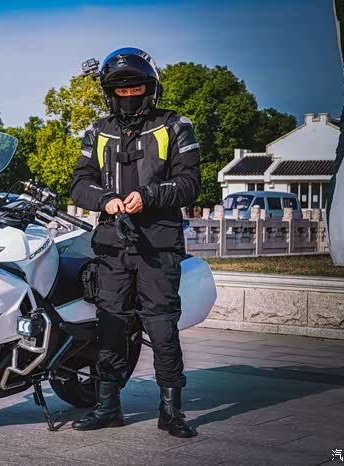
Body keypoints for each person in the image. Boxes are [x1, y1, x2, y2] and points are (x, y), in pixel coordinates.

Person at [70, 47, 200, 437]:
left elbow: (190, 183)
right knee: (110, 328)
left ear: (150, 88)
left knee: (162, 328)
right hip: (112, 245)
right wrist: (106, 200)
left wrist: (149, 195)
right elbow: (80, 184)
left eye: (136, 88)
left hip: (157, 246)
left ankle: (171, 412)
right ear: (110, 92)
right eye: (120, 90)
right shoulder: (97, 131)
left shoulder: (176, 126)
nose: (128, 96)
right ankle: (107, 407)